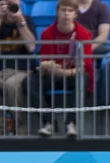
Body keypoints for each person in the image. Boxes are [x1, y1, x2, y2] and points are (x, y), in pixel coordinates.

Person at [24, 0, 93, 137]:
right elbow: (44, 60)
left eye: (70, 11)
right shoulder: (47, 33)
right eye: (63, 10)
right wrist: (47, 66)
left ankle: (70, 123)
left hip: (72, 74)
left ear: (75, 14)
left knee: (83, 78)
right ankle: (49, 122)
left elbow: (86, 64)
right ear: (57, 12)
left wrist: (66, 72)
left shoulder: (84, 34)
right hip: (52, 74)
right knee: (29, 81)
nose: (66, 14)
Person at [0, 0, 37, 136]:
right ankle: (0, 126)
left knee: (12, 85)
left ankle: (21, 128)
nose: (9, 6)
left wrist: (20, 20)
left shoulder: (27, 20)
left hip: (23, 70)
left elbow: (31, 47)